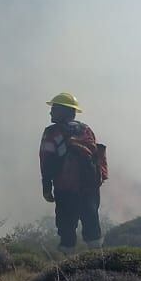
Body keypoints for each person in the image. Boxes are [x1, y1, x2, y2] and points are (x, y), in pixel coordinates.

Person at [39, 92, 104, 252]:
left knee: (66, 232)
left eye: (54, 108)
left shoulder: (51, 132)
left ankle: (65, 271)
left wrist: (46, 187)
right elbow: (96, 156)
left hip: (65, 189)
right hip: (90, 189)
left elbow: (46, 161)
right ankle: (100, 265)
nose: (51, 112)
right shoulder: (86, 130)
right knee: (92, 229)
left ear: (64, 111)